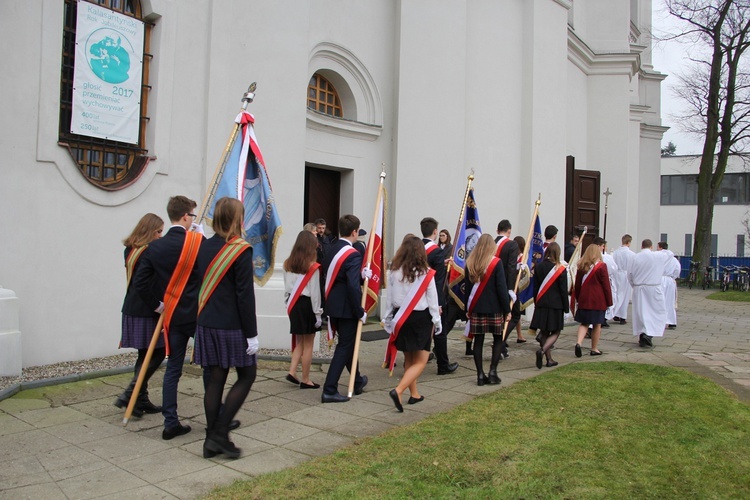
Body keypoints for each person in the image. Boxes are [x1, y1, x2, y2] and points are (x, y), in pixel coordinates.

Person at [134, 195, 204, 440]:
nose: (193, 219)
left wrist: (159, 305)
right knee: (210, 367)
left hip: (172, 315)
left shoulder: (155, 246)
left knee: (173, 369)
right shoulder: (197, 242)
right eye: (192, 216)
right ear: (186, 216)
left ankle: (170, 422)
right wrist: (201, 237)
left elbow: (140, 283)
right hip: (197, 314)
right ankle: (215, 418)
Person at [193, 198, 257, 459]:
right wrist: (251, 333)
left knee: (216, 378)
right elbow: (244, 296)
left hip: (207, 322)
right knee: (247, 374)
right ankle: (219, 434)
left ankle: (211, 440)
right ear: (236, 219)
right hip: (231, 325)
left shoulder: (204, 246)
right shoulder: (241, 250)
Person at [114, 213, 166, 418]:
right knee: (157, 353)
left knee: (144, 355)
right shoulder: (148, 252)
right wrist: (158, 306)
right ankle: (130, 394)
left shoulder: (130, 249)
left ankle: (139, 400)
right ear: (149, 231)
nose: (161, 236)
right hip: (146, 309)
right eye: (159, 232)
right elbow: (143, 284)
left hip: (133, 308)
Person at [383, 235, 442, 412]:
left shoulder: (393, 271)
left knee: (409, 357)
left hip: (400, 317)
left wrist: (387, 319)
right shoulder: (425, 272)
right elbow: (433, 300)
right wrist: (437, 322)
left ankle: (414, 394)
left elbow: (390, 299)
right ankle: (399, 390)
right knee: (422, 360)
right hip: (420, 318)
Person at [320, 215, 369, 403]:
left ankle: (356, 381)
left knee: (347, 346)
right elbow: (352, 286)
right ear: (355, 231)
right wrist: (360, 311)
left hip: (333, 305)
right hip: (347, 308)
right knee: (344, 347)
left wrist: (361, 276)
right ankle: (329, 388)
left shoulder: (332, 249)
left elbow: (341, 278)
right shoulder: (352, 254)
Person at [464, 234, 511, 386]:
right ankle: (493, 371)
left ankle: (479, 375)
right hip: (495, 308)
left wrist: (467, 308)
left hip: (477, 308)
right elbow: (502, 289)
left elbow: (467, 290)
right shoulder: (496, 263)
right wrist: (507, 310)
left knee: (478, 341)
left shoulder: (469, 263)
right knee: (498, 339)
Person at [283, 230, 323, 389]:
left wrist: (287, 304)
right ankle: (306, 379)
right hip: (307, 306)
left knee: (299, 340)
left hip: (293, 304)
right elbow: (315, 293)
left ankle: (292, 371)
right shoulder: (312, 267)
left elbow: (286, 288)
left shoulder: (287, 263)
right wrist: (318, 313)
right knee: (308, 344)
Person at [421, 217, 458, 375]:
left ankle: (415, 362)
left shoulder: (417, 247)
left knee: (422, 332)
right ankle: (443, 365)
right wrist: (440, 304)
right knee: (439, 333)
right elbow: (438, 282)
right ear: (435, 232)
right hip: (433, 298)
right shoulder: (437, 252)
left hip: (416, 298)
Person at [629, 239, 674, 347]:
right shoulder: (658, 256)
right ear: (651, 246)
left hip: (639, 288)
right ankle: (648, 334)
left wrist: (634, 285)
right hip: (653, 287)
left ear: (641, 246)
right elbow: (670, 253)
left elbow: (630, 274)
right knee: (655, 311)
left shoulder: (636, 257)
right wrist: (659, 251)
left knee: (641, 312)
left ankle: (643, 333)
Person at [529, 242, 568, 368]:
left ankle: (549, 359)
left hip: (542, 303)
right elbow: (563, 290)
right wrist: (566, 307)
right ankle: (542, 351)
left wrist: (536, 302)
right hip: (556, 305)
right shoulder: (560, 269)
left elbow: (535, 287)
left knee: (545, 332)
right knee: (556, 331)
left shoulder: (538, 267)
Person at [572, 243, 612, 357]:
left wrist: (578, 298)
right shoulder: (602, 266)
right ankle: (594, 348)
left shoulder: (581, 266)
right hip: (598, 300)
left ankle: (578, 343)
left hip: (585, 298)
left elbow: (578, 285)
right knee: (597, 325)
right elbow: (606, 285)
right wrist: (609, 301)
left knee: (584, 323)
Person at [494, 219, 520, 357]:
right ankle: (501, 342)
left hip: (492, 285)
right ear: (509, 231)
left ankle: (502, 348)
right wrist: (511, 289)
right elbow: (510, 267)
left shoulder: (491, 243)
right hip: (507, 285)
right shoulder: (512, 244)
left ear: (497, 230)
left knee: (499, 316)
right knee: (514, 315)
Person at [612, 234, 636, 324]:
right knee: (624, 295)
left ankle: (618, 314)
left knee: (617, 293)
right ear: (629, 242)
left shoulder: (616, 252)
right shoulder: (632, 254)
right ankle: (621, 316)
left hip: (617, 274)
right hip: (626, 274)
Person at [595, 237, 618, 329]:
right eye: (603, 246)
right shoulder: (607, 257)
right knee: (606, 298)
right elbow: (614, 269)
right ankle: (604, 318)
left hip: (593, 282)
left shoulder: (587, 256)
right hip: (605, 280)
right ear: (599, 246)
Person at [657, 241, 681, 330]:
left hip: (659, 279)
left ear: (660, 247)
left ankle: (660, 320)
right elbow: (677, 270)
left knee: (659, 300)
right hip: (670, 280)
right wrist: (672, 277)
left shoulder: (658, 257)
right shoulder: (673, 259)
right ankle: (671, 321)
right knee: (670, 301)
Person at [512, 235, 528, 343]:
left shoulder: (523, 257)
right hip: (513, 287)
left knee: (517, 313)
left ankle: (520, 335)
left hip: (519, 286)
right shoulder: (512, 256)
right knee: (513, 313)